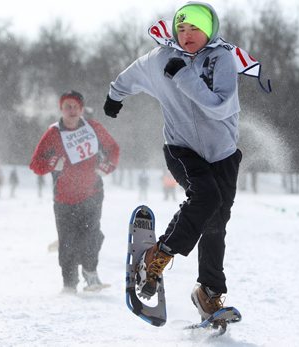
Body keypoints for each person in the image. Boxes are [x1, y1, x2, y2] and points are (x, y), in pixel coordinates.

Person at [103, 2, 250, 321]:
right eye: (181, 29)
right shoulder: (161, 59)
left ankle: (209, 293)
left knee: (216, 222)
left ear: (210, 30)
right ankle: (156, 257)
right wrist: (115, 95)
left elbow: (219, 106)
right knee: (206, 197)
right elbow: (133, 73)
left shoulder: (222, 58)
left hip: (223, 154)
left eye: (195, 28)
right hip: (181, 149)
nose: (187, 35)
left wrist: (184, 78)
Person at [30, 90, 120, 293]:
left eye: (75, 107)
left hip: (92, 193)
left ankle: (91, 276)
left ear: (81, 109)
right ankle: (69, 284)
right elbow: (36, 165)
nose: (71, 111)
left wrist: (106, 167)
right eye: (67, 107)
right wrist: (54, 163)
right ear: (61, 109)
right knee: (68, 241)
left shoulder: (93, 128)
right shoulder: (53, 133)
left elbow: (113, 149)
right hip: (64, 198)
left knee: (92, 234)